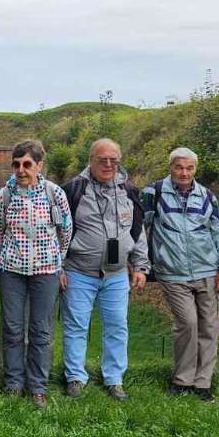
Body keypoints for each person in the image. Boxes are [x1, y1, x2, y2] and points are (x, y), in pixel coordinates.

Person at [60, 139, 150, 401]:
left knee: (117, 326)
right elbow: (59, 230)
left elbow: (138, 230)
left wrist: (141, 266)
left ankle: (114, 379)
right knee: (75, 326)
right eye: (103, 160)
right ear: (91, 160)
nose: (109, 165)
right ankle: (75, 377)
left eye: (114, 160)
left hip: (117, 274)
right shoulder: (73, 189)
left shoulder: (129, 191)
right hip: (79, 271)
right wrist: (59, 267)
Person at [142, 147, 219, 402]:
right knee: (188, 324)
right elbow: (140, 228)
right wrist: (140, 261)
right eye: (179, 167)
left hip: (208, 270)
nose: (184, 172)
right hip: (172, 272)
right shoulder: (154, 192)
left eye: (189, 168)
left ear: (195, 169)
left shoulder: (207, 196)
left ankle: (203, 383)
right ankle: (182, 380)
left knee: (210, 327)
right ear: (170, 167)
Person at [0, 139, 72, 409]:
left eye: (27, 164)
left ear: (39, 165)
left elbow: (66, 232)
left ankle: (38, 386)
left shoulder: (54, 194)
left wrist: (57, 262)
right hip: (12, 270)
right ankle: (14, 383)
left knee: (41, 330)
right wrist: (9, 256)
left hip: (46, 271)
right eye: (16, 164)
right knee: (13, 328)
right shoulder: (4, 195)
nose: (21, 169)